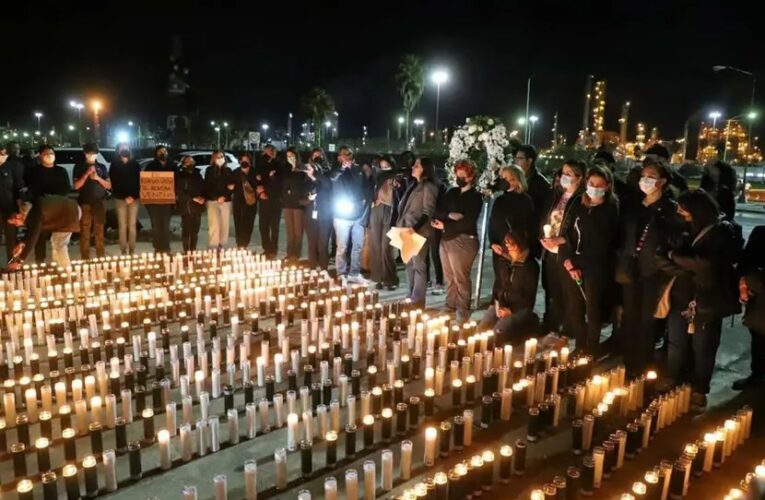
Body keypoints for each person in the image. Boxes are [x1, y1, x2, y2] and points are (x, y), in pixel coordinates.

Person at [657, 190, 739, 411]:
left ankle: (699, 389)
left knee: (704, 346)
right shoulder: (681, 226)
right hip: (682, 293)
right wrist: (683, 267)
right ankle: (674, 378)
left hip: (708, 298)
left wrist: (676, 258)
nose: (680, 212)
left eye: (684, 209)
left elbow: (707, 264)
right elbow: (661, 254)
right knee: (676, 340)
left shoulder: (722, 231)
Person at [617, 158, 684, 376]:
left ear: (662, 181)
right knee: (629, 318)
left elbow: (674, 239)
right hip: (630, 269)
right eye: (643, 176)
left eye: (651, 177)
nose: (645, 180)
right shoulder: (634, 205)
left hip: (653, 272)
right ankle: (628, 363)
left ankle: (641, 365)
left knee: (647, 321)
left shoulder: (669, 209)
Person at [558, 165, 620, 357]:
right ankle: (580, 345)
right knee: (575, 308)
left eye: (599, 184)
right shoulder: (578, 204)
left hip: (595, 268)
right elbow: (566, 234)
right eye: (591, 183)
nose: (593, 187)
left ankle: (591, 350)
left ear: (607, 186)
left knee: (592, 310)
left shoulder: (610, 209)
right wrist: (568, 261)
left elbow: (603, 243)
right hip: (573, 264)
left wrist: (581, 265)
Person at [431, 160, 483, 322]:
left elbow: (467, 221)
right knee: (449, 276)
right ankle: (450, 305)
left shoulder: (475, 197)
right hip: (446, 238)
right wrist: (448, 216)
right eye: (457, 174)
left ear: (470, 177)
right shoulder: (452, 192)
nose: (459, 178)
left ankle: (462, 307)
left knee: (460, 276)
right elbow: (437, 210)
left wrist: (446, 224)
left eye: (462, 175)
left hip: (464, 240)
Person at [539, 159, 586, 336]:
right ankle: (553, 327)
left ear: (580, 178)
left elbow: (580, 230)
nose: (563, 177)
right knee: (554, 292)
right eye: (563, 173)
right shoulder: (558, 196)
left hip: (567, 254)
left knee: (570, 295)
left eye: (568, 174)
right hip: (550, 252)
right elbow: (547, 219)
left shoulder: (581, 200)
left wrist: (562, 240)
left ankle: (569, 331)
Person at [481, 231, 540, 343]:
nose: (508, 248)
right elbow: (498, 283)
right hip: (501, 304)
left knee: (497, 333)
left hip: (519, 308)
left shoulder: (530, 266)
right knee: (481, 329)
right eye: (506, 244)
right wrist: (493, 303)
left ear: (519, 245)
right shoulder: (503, 261)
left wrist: (511, 310)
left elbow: (529, 296)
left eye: (511, 245)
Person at [396, 157, 439, 307]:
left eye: (417, 166)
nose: (413, 167)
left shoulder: (428, 186)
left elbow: (428, 211)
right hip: (406, 228)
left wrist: (415, 228)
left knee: (419, 265)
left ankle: (418, 298)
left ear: (424, 169)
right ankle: (411, 295)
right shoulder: (414, 184)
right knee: (409, 264)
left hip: (417, 231)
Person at [330, 146, 371, 284]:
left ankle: (354, 272)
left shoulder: (358, 170)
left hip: (358, 214)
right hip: (341, 215)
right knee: (342, 246)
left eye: (349, 154)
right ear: (338, 157)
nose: (347, 157)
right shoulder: (336, 170)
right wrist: (342, 168)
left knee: (358, 246)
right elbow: (332, 177)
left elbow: (366, 187)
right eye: (344, 154)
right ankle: (341, 273)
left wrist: (365, 201)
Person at [25, 145, 71, 262]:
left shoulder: (61, 171)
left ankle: (58, 262)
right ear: (40, 155)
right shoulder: (34, 172)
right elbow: (31, 189)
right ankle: (40, 261)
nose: (49, 156)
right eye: (46, 154)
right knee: (39, 235)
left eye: (51, 153)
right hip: (41, 208)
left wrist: (55, 198)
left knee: (58, 238)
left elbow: (66, 188)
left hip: (58, 207)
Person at [7, 195, 80, 269]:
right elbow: (31, 232)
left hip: (70, 213)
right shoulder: (31, 210)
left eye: (15, 223)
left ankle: (66, 271)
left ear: (18, 216)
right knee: (56, 243)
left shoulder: (35, 214)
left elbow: (33, 237)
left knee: (59, 245)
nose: (17, 225)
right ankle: (60, 268)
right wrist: (21, 244)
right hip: (70, 210)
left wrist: (20, 260)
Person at [489, 165, 535, 281]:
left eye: (510, 178)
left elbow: (529, 225)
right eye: (504, 178)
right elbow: (492, 225)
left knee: (517, 282)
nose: (506, 181)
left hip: (518, 249)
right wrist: (493, 243)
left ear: (518, 180)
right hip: (500, 250)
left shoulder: (525, 200)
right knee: (502, 281)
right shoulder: (499, 200)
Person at [733, 225, 765, 389]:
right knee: (758, 340)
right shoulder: (760, 233)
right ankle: (757, 375)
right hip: (758, 300)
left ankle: (758, 377)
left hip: (759, 293)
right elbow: (746, 262)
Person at [369, 155, 402, 289]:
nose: (383, 169)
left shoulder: (396, 177)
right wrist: (372, 199)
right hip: (376, 210)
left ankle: (391, 279)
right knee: (376, 246)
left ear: (392, 166)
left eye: (386, 166)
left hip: (390, 211)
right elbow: (368, 191)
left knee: (386, 247)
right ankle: (378, 278)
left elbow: (401, 195)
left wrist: (396, 185)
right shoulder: (376, 177)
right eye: (381, 167)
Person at [72, 143, 111, 259]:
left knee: (99, 230)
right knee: (85, 231)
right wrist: (86, 174)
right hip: (85, 202)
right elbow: (76, 186)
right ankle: (85, 256)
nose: (92, 155)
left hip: (99, 202)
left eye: (94, 153)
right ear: (85, 153)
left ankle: (100, 255)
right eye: (89, 153)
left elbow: (109, 185)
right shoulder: (79, 166)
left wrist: (98, 178)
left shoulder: (102, 167)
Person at [514, 144, 552, 257]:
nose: (516, 161)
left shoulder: (541, 184)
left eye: (520, 158)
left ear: (530, 160)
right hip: (514, 234)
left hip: (530, 237)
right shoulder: (514, 179)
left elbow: (543, 213)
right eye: (516, 158)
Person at [109, 143, 141, 255]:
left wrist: (133, 196)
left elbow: (139, 181)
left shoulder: (135, 164)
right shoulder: (114, 165)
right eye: (122, 147)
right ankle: (123, 250)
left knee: (132, 225)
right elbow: (114, 183)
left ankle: (132, 250)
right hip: (120, 198)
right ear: (118, 150)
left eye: (126, 147)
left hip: (134, 199)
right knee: (122, 225)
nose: (124, 149)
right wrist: (124, 196)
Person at [282, 147, 313, 262]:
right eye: (288, 156)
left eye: (292, 156)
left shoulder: (302, 169)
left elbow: (305, 184)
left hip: (298, 203)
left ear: (296, 156)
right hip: (287, 203)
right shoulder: (286, 169)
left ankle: (296, 254)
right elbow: (283, 184)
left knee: (298, 232)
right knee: (290, 232)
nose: (290, 158)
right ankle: (290, 253)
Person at [304, 149, 333, 270]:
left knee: (323, 244)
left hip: (325, 213)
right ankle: (312, 270)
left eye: (319, 155)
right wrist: (308, 198)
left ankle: (324, 270)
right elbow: (301, 192)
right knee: (312, 244)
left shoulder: (328, 171)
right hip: (311, 212)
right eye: (314, 155)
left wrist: (315, 176)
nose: (317, 158)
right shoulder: (305, 172)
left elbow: (328, 185)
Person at [143, 145, 175, 253]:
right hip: (154, 202)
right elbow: (146, 182)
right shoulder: (151, 166)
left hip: (167, 201)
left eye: (165, 151)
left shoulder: (172, 165)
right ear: (156, 154)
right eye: (160, 151)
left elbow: (177, 180)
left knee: (165, 226)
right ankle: (157, 248)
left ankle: (166, 247)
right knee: (156, 226)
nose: (163, 153)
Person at [255, 145, 283, 259]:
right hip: (263, 199)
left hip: (275, 199)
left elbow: (279, 180)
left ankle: (273, 250)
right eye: (267, 152)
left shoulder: (279, 164)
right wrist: (260, 191)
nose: (269, 153)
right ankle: (266, 248)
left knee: (274, 226)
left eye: (272, 151)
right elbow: (257, 179)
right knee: (263, 226)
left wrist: (267, 179)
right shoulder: (261, 163)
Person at [204, 150, 234, 249]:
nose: (220, 158)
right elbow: (208, 186)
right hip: (213, 201)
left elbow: (231, 186)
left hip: (226, 201)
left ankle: (223, 246)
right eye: (217, 157)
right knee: (214, 225)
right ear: (213, 158)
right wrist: (217, 197)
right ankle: (213, 246)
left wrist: (224, 196)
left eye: (221, 156)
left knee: (225, 225)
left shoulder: (228, 170)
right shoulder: (209, 170)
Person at [175, 156, 205, 252]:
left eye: (192, 162)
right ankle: (186, 251)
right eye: (187, 162)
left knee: (195, 231)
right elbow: (179, 191)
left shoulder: (198, 175)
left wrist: (203, 197)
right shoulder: (180, 176)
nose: (190, 164)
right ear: (183, 164)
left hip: (197, 207)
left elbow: (203, 188)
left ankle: (193, 251)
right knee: (186, 230)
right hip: (186, 207)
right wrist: (193, 198)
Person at [0, 144, 24, 262]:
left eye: (4, 154)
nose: (2, 156)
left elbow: (17, 189)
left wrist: (20, 209)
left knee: (11, 239)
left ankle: (12, 264)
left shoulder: (10, 168)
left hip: (9, 208)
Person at [232, 153, 259, 248]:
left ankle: (245, 243)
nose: (245, 162)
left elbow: (257, 185)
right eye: (243, 160)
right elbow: (232, 186)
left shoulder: (255, 172)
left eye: (247, 160)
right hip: (238, 202)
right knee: (238, 223)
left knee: (248, 223)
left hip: (251, 202)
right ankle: (240, 244)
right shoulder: (236, 172)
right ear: (240, 161)